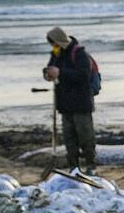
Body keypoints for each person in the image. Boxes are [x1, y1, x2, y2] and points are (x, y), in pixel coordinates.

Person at [42, 26, 98, 171]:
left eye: (53, 42)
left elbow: (83, 75)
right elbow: (51, 68)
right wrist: (48, 74)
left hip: (81, 102)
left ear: (59, 40)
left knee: (85, 136)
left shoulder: (79, 53)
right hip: (64, 103)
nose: (53, 46)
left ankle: (91, 166)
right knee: (69, 138)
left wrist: (60, 72)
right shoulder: (56, 53)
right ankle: (74, 167)